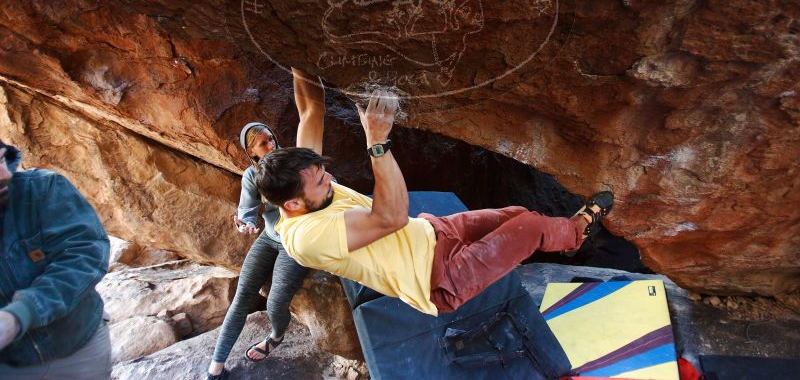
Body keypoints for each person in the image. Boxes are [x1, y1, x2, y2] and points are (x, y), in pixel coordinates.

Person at [256, 90, 614, 316]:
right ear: (292, 205)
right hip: (439, 279)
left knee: (517, 215)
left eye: (324, 172)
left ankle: (564, 242)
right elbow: (391, 217)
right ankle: (579, 229)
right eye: (321, 181)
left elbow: (310, 110)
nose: (331, 179)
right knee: (532, 226)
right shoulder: (305, 237)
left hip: (433, 232)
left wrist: (300, 55)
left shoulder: (303, 182)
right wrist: (377, 142)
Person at [206, 68, 325, 380]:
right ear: (251, 152)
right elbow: (247, 211)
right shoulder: (251, 176)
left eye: (271, 138)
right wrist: (245, 224)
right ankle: (215, 366)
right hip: (269, 237)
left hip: (293, 242)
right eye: (261, 143)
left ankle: (275, 335)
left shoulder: (291, 163)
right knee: (243, 296)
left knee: (275, 300)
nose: (269, 144)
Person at [0, 141, 111, 380]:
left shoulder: (42, 188)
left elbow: (85, 254)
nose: (5, 173)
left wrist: (21, 313)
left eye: (0, 159)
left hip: (79, 345)